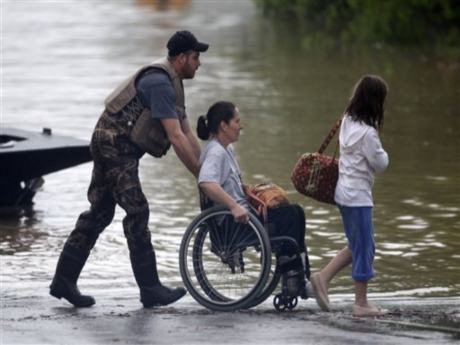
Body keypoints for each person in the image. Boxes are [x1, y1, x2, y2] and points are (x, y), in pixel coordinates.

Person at [50, 30, 209, 308]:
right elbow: (175, 137)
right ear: (182, 58)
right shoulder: (160, 83)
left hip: (112, 144)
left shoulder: (172, 82)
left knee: (99, 212)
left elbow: (187, 133)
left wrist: (207, 171)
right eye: (196, 57)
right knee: (137, 210)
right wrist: (200, 178)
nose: (199, 63)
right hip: (114, 146)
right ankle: (149, 288)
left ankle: (63, 280)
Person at [196, 101, 311, 300]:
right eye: (237, 121)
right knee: (292, 216)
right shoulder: (216, 152)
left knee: (295, 212)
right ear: (224, 125)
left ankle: (297, 276)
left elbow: (228, 185)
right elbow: (206, 183)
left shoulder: (226, 149)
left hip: (245, 214)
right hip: (235, 223)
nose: (241, 126)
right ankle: (294, 278)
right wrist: (233, 206)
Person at [310, 75, 389, 317]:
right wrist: (383, 151)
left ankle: (322, 278)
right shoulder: (367, 133)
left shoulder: (346, 121)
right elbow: (381, 163)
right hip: (358, 197)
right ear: (375, 103)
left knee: (360, 245)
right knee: (364, 247)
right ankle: (361, 303)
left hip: (343, 193)